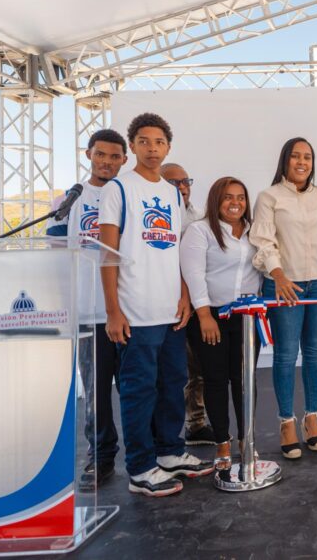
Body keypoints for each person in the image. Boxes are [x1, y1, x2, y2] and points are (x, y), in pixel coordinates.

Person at [99, 112, 213, 497]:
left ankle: (169, 452)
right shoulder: (118, 188)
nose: (152, 148)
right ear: (132, 146)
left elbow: (180, 250)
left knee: (172, 385)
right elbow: (108, 253)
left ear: (168, 147)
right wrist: (113, 310)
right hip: (135, 312)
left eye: (159, 142)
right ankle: (141, 468)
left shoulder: (170, 193)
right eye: (144, 141)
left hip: (170, 311)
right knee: (138, 391)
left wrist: (184, 295)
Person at [250, 137, 317, 459]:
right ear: (285, 160)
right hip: (284, 285)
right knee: (285, 355)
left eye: (307, 156)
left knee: (315, 353)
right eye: (296, 156)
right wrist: (278, 275)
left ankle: (312, 418)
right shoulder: (269, 197)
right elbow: (263, 240)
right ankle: (286, 422)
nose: (302, 162)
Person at [47, 129, 128, 486]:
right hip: (88, 312)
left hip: (129, 309)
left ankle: (147, 452)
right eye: (101, 155)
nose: (107, 162)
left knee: (138, 388)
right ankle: (101, 456)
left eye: (114, 156)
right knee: (96, 393)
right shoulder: (68, 200)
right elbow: (55, 258)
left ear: (124, 159)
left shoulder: (129, 196)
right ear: (88, 154)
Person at [180, 176, 260, 470]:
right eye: (228, 197)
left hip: (247, 319)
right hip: (210, 316)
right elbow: (193, 273)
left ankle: (246, 440)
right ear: (215, 200)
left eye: (241, 197)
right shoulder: (200, 230)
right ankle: (223, 443)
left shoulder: (255, 232)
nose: (235, 203)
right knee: (215, 381)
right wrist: (203, 315)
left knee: (244, 381)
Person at [161, 162, 213, 447]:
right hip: (165, 303)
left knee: (198, 368)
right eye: (174, 183)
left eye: (185, 181)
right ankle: (164, 437)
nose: (182, 187)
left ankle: (196, 424)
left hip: (196, 301)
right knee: (172, 371)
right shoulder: (154, 214)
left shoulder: (198, 216)